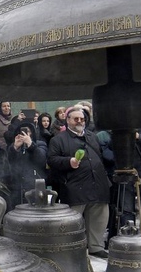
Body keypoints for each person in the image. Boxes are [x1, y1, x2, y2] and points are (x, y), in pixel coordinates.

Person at [47, 106, 112, 259]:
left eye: (82, 119)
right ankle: (73, 247)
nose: (79, 121)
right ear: (67, 120)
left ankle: (95, 246)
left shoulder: (92, 136)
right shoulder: (58, 139)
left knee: (99, 216)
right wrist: (69, 161)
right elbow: (52, 159)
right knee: (74, 220)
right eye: (76, 119)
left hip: (97, 183)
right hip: (75, 185)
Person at [7, 120, 48, 211]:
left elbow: (41, 160)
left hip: (34, 184)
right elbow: (10, 162)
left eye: (29, 131)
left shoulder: (40, 144)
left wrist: (30, 145)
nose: (26, 134)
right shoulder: (15, 145)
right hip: (18, 185)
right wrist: (15, 148)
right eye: (23, 131)